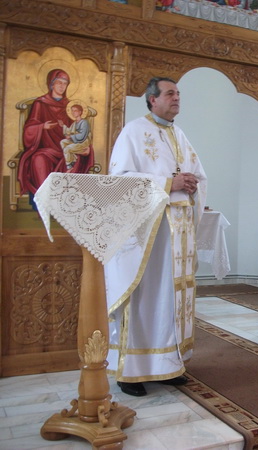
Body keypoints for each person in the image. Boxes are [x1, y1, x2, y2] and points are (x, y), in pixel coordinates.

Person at [104, 77, 208, 397]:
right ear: (152, 99)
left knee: (170, 299)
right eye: (170, 93)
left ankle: (166, 365)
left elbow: (198, 175)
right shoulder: (134, 132)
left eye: (178, 94)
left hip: (176, 236)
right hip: (147, 235)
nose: (177, 98)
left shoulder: (179, 134)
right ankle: (131, 372)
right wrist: (168, 184)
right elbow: (120, 181)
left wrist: (193, 184)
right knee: (144, 298)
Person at [17, 68, 95, 196]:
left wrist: (87, 147)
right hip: (45, 149)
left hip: (66, 146)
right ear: (51, 84)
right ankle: (46, 198)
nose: (62, 86)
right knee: (38, 159)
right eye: (59, 82)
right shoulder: (40, 103)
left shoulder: (70, 106)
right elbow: (29, 128)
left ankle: (67, 200)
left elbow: (79, 131)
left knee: (77, 157)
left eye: (65, 83)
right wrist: (42, 127)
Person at [59, 102, 92, 171]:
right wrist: (63, 126)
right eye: (72, 111)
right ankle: (73, 158)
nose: (73, 113)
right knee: (62, 142)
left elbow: (82, 135)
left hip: (83, 142)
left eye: (75, 111)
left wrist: (71, 137)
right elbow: (69, 131)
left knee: (67, 149)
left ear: (80, 112)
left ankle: (69, 166)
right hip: (76, 140)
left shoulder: (84, 122)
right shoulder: (75, 123)